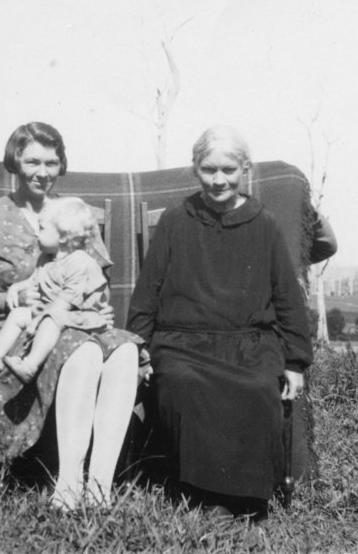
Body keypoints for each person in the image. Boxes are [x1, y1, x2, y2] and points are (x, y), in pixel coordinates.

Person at [126, 125, 313, 520]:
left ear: (244, 168)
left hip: (249, 342)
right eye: (208, 169)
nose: (218, 180)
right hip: (182, 343)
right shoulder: (177, 221)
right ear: (196, 170)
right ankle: (206, 497)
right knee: (184, 384)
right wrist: (137, 347)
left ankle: (248, 500)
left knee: (259, 388)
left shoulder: (265, 225)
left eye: (228, 169)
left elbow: (287, 298)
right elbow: (147, 289)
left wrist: (295, 361)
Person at [0, 122, 140, 510]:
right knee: (85, 352)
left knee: (124, 351)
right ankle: (69, 483)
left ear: (61, 165)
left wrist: (99, 301)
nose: (43, 171)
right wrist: (8, 300)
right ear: (15, 162)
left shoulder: (76, 214)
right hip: (20, 327)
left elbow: (98, 282)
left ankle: (100, 484)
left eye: (52, 162)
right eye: (33, 161)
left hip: (79, 318)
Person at [0, 197, 129, 383]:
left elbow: (64, 303)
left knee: (51, 320)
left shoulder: (80, 262)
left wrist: (37, 321)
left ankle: (29, 366)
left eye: (42, 228)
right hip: (55, 314)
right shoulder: (47, 259)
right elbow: (34, 281)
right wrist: (15, 289)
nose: (36, 233)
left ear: (64, 236)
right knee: (19, 314)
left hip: (83, 316)